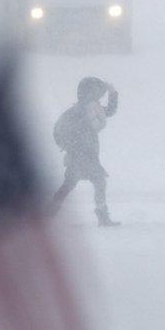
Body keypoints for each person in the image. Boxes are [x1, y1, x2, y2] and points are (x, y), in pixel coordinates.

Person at [49, 77, 120, 226]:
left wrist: (112, 93)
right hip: (82, 154)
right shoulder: (82, 110)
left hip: (83, 154)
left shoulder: (88, 108)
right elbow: (66, 130)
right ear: (90, 93)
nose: (100, 97)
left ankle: (49, 215)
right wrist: (74, 145)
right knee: (97, 182)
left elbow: (109, 111)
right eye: (97, 93)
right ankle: (102, 217)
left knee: (70, 185)